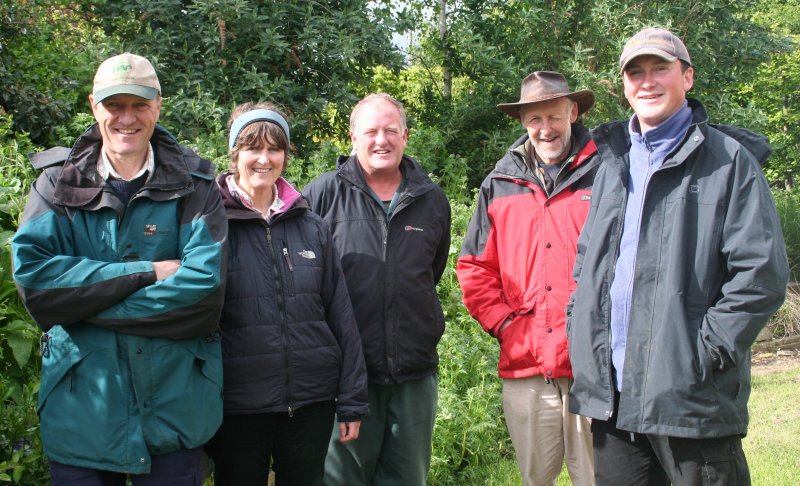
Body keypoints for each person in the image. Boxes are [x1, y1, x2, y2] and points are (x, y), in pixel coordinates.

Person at [567, 27, 789, 486]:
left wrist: (701, 354)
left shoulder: (728, 162)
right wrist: (580, 328)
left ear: (687, 77)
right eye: (636, 72)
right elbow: (589, 261)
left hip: (690, 397)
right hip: (614, 399)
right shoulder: (612, 163)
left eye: (660, 69)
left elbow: (761, 275)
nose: (647, 81)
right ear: (624, 86)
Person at [11, 53, 227, 484]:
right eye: (114, 105)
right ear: (94, 105)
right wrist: (146, 272)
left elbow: (203, 292)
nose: (126, 118)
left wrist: (80, 303)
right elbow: (36, 285)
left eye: (139, 104)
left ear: (158, 106)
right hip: (82, 414)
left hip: (176, 408)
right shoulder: (57, 184)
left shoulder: (197, 185)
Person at [204, 102, 368, 486]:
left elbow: (341, 316)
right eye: (253, 148)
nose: (264, 159)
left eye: (274, 148)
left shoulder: (311, 226)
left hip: (311, 401)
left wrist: (352, 400)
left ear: (286, 155)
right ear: (235, 154)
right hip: (238, 404)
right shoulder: (209, 223)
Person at [302, 93, 451, 486]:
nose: (381, 140)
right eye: (371, 131)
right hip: (346, 378)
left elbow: (430, 273)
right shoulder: (320, 196)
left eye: (390, 130)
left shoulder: (431, 199)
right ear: (352, 136)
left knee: (406, 479)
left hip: (414, 375)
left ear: (405, 135)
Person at [457, 71, 597, 485]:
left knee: (602, 478)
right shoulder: (500, 184)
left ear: (572, 112)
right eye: (534, 119)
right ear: (522, 122)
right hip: (527, 367)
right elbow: (475, 268)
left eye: (553, 116)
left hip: (595, 365)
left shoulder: (606, 174)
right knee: (537, 479)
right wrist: (506, 326)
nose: (545, 129)